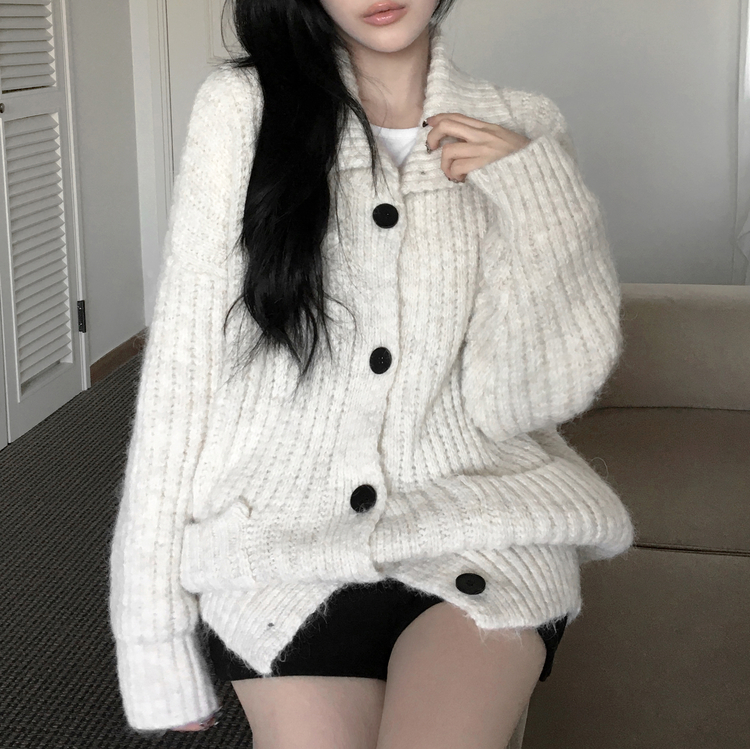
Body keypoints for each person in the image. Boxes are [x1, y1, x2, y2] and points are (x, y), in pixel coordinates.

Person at [109, 0, 636, 745]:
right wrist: (150, 635)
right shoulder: (244, 109)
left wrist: (540, 197)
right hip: (283, 548)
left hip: (479, 527)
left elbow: (527, 400)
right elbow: (181, 379)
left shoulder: (523, 125)